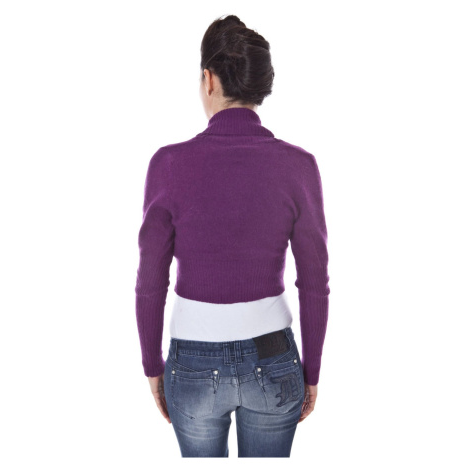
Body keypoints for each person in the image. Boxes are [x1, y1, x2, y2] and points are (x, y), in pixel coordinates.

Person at [134, 14, 330, 458]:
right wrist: (312, 370)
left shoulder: (168, 164)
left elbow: (150, 280)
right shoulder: (298, 166)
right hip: (274, 361)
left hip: (193, 363)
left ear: (208, 79)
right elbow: (315, 281)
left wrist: (151, 364)